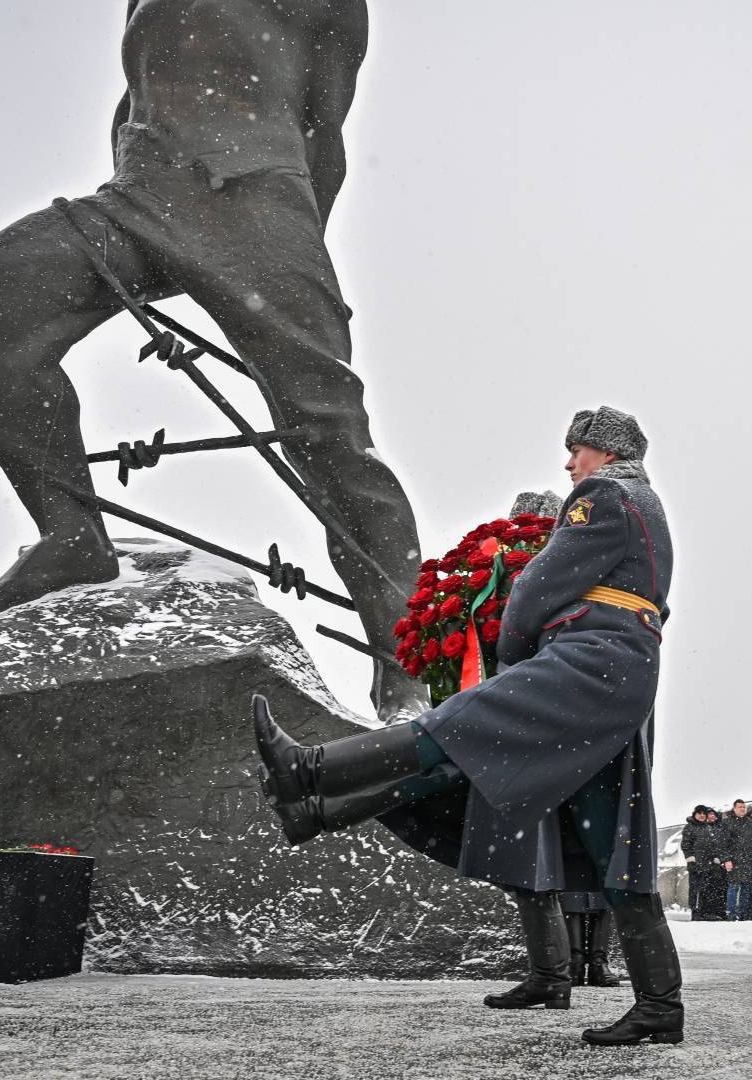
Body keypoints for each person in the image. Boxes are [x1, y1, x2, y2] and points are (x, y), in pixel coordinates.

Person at [0, 0, 425, 722]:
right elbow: (134, 82)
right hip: (139, 193)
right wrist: (137, 173)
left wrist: (296, 257)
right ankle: (71, 535)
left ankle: (411, 659)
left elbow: (327, 130)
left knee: (325, 432)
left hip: (261, 203)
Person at [253, 406, 682, 1047]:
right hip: (619, 673)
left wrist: (511, 651)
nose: (569, 465)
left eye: (576, 451)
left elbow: (539, 583)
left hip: (586, 664)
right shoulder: (646, 506)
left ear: (603, 451)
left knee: (456, 727)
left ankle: (310, 771)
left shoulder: (606, 495)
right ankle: (660, 1006)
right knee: (614, 841)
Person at [722, 798, 752, 922]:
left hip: (749, 861)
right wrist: (727, 859)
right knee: (733, 887)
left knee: (746, 888)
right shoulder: (728, 822)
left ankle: (744, 914)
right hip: (735, 860)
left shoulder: (750, 822)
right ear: (734, 808)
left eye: (744, 807)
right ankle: (731, 914)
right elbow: (724, 843)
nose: (742, 809)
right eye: (740, 807)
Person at [679, 806, 719, 921]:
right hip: (696, 864)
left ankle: (705, 912)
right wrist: (691, 861)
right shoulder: (689, 827)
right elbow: (686, 845)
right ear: (695, 814)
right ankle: (696, 912)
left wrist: (715, 860)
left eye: (704, 813)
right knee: (695, 889)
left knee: (708, 889)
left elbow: (713, 846)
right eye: (699, 813)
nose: (702, 815)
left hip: (708, 865)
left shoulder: (708, 828)